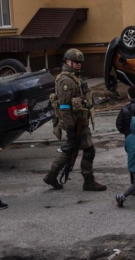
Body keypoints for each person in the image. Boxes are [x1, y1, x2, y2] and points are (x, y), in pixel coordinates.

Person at [43, 48, 107, 191]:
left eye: (80, 62)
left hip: (80, 122)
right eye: (75, 62)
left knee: (72, 150)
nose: (78, 64)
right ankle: (88, 182)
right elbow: (64, 107)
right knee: (83, 150)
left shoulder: (74, 77)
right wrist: (71, 128)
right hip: (75, 124)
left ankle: (51, 176)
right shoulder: (66, 81)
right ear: (67, 61)